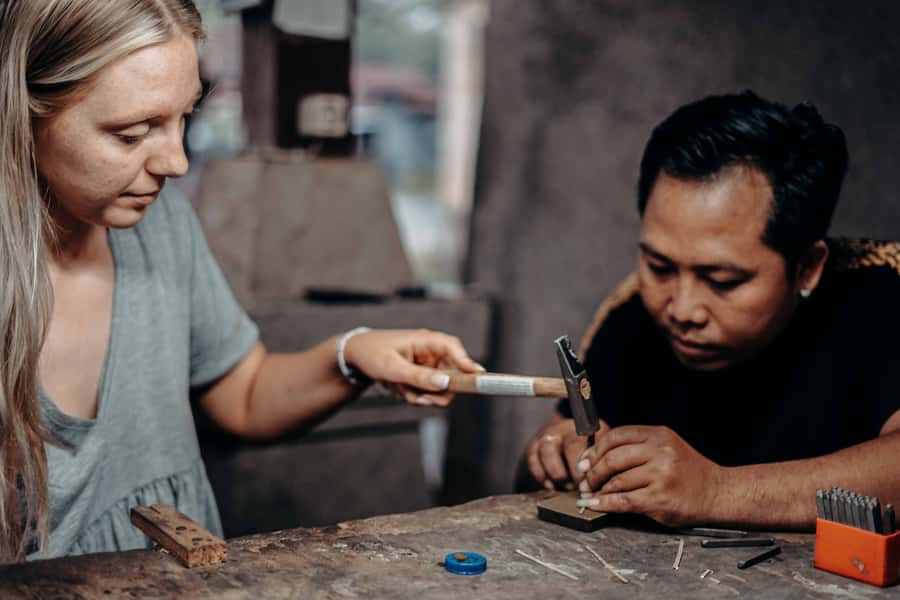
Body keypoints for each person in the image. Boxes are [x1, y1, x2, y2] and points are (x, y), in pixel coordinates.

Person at [0, 0, 482, 562]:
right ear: (23, 114)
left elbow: (245, 394)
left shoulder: (164, 225)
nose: (176, 162)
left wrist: (353, 355)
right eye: (133, 133)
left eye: (184, 118)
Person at [524, 90, 900, 530]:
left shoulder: (880, 301)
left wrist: (717, 491)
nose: (683, 310)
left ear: (806, 268)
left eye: (722, 281)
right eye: (660, 267)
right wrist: (555, 454)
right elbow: (557, 445)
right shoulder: (630, 319)